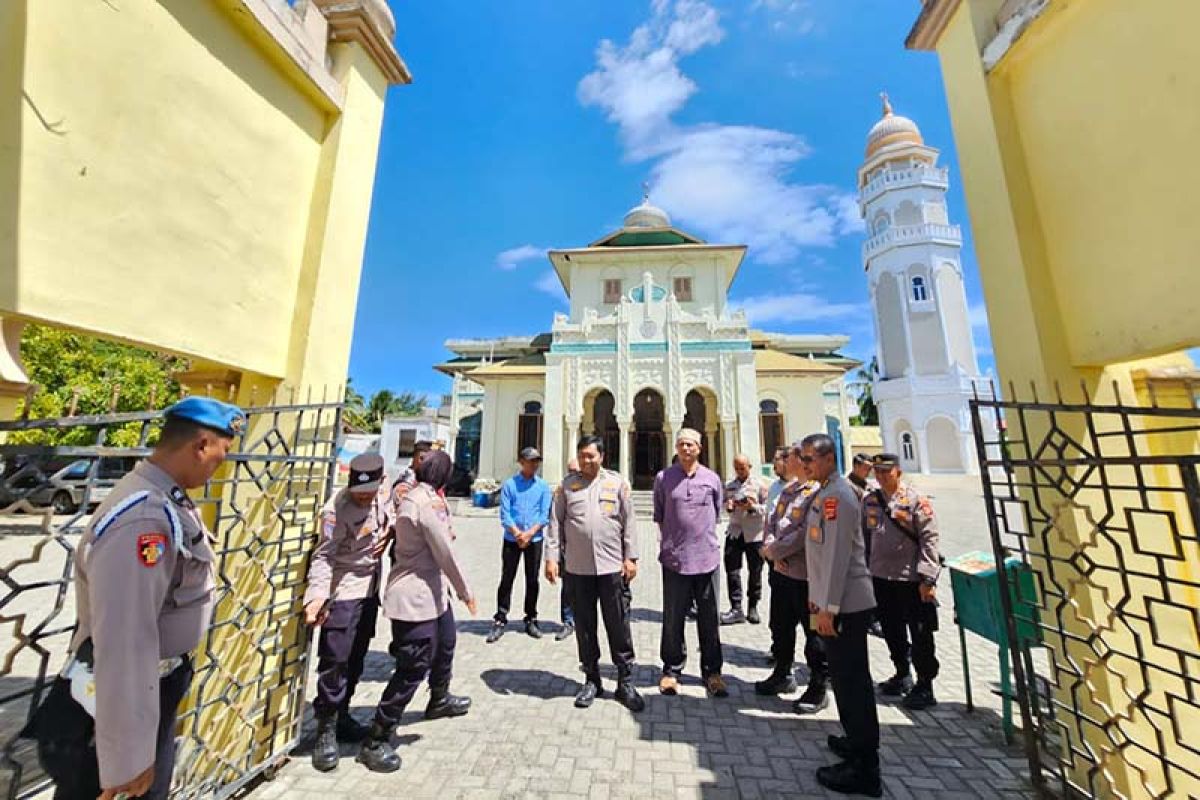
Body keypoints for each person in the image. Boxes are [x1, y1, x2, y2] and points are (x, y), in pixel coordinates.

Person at [22, 397, 244, 800]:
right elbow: (126, 640)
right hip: (114, 704)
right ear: (201, 445)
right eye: (223, 451)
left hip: (144, 692)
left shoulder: (166, 498)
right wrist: (128, 756)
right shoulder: (144, 517)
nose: (221, 463)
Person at [358, 450, 476, 773]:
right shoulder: (424, 504)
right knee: (413, 666)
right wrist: (466, 592)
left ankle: (439, 698)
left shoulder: (425, 497)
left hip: (434, 595)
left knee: (446, 643)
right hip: (416, 596)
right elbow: (445, 552)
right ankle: (377, 736)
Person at [303, 453, 393, 772]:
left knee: (356, 657)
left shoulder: (383, 495)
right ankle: (324, 729)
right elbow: (323, 557)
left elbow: (390, 519)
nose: (365, 498)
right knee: (335, 661)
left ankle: (343, 715)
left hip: (369, 590)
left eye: (370, 493)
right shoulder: (335, 510)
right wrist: (316, 597)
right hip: (342, 593)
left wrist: (390, 535)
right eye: (360, 493)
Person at [802, 433, 880, 797]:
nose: (804, 466)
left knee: (852, 683)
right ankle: (855, 742)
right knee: (847, 682)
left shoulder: (838, 495)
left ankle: (864, 769)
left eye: (809, 460)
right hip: (837, 602)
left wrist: (827, 608)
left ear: (828, 458)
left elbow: (834, 558)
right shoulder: (827, 490)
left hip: (845, 603)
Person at [544, 437, 643, 711]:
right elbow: (555, 525)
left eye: (591, 455)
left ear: (602, 456)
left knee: (618, 625)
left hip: (612, 567)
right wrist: (551, 559)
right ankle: (592, 679)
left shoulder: (617, 484)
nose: (586, 461)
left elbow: (630, 523)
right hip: (577, 569)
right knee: (585, 627)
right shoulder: (565, 487)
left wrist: (631, 558)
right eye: (582, 455)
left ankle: (625, 681)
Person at [863, 453, 941, 710]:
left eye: (886, 470)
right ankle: (902, 673)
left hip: (911, 579)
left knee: (920, 633)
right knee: (892, 629)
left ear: (898, 471)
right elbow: (864, 535)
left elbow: (929, 538)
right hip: (881, 577)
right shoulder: (871, 500)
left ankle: (925, 685)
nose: (882, 475)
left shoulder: (916, 500)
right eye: (877, 471)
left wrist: (928, 577)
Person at [653, 428, 727, 698]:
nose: (686, 449)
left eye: (691, 445)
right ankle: (671, 671)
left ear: (700, 448)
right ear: (675, 447)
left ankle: (713, 672)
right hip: (675, 559)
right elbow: (660, 515)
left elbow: (717, 512)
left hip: (707, 559)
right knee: (673, 618)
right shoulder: (664, 478)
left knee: (709, 618)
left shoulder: (712, 479)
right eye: (682, 444)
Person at [758, 441, 829, 714]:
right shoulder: (788, 490)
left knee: (813, 634)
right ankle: (782, 673)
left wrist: (773, 550)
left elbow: (805, 533)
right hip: (782, 573)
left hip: (806, 576)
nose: (784, 460)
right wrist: (769, 546)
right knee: (781, 626)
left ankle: (818, 685)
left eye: (790, 456)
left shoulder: (817, 493)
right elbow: (771, 523)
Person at [487, 447, 552, 643]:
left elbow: (544, 514)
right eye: (530, 461)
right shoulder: (510, 485)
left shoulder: (543, 487)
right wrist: (517, 533)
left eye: (536, 461)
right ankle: (500, 617)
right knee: (507, 577)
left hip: (534, 539)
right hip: (512, 539)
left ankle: (531, 617)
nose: (534, 465)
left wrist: (530, 533)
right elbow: (505, 513)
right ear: (521, 461)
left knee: (532, 579)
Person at [719, 455, 769, 626]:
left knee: (755, 571)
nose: (740, 471)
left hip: (754, 534)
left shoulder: (760, 485)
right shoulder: (730, 486)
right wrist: (729, 506)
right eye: (737, 468)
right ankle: (736, 607)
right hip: (735, 531)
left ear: (750, 466)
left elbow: (769, 509)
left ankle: (753, 606)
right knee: (732, 570)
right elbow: (724, 504)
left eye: (743, 468)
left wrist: (752, 507)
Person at [555, 458, 580, 641]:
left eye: (576, 472)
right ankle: (568, 621)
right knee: (568, 586)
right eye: (569, 471)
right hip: (568, 548)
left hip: (591, 551)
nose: (573, 475)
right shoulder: (562, 491)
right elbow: (555, 521)